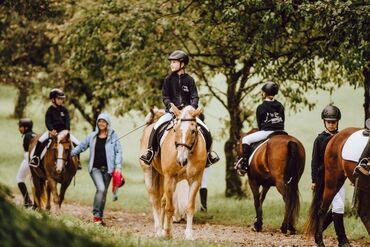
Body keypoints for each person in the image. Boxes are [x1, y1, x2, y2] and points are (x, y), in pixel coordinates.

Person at [140, 50, 219, 166]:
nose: (171, 65)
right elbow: (165, 97)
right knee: (156, 126)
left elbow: (194, 97)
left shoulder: (190, 80)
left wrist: (192, 107)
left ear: (182, 64)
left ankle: (208, 155)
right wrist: (169, 106)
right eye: (171, 62)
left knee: (205, 129)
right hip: (172, 113)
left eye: (174, 62)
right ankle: (150, 151)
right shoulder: (168, 80)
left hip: (187, 115)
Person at [71, 112, 123, 225]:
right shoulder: (92, 136)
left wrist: (118, 166)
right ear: (97, 123)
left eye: (104, 121)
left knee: (103, 193)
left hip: (109, 170)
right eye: (99, 121)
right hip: (95, 169)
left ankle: (100, 217)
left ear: (108, 123)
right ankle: (96, 216)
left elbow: (118, 152)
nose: (101, 123)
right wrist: (70, 154)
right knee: (101, 189)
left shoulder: (113, 137)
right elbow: (81, 146)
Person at [311, 105, 351, 247]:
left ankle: (320, 231)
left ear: (337, 122)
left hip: (338, 178)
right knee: (332, 206)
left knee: (338, 207)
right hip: (323, 178)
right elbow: (314, 160)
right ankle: (340, 240)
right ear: (324, 122)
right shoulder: (320, 139)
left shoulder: (342, 139)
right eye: (329, 122)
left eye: (334, 122)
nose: (331, 124)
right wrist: (314, 180)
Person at [235, 81, 284, 175]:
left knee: (246, 139)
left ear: (265, 93)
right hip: (281, 131)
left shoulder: (261, 107)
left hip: (267, 132)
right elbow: (283, 120)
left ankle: (244, 165)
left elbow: (260, 125)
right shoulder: (280, 105)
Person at [29, 88, 80, 168]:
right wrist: (51, 130)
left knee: (77, 143)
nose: (60, 101)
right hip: (53, 132)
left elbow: (67, 121)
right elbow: (48, 122)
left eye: (62, 99)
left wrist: (67, 130)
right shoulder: (50, 111)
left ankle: (77, 162)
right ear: (53, 99)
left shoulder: (65, 110)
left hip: (64, 132)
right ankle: (36, 158)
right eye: (58, 99)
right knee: (40, 140)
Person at [16, 118, 36, 208]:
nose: (19, 129)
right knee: (33, 182)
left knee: (19, 178)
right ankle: (37, 203)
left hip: (29, 159)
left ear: (26, 127)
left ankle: (27, 201)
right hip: (36, 161)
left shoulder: (27, 136)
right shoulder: (34, 134)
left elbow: (28, 151)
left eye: (21, 127)